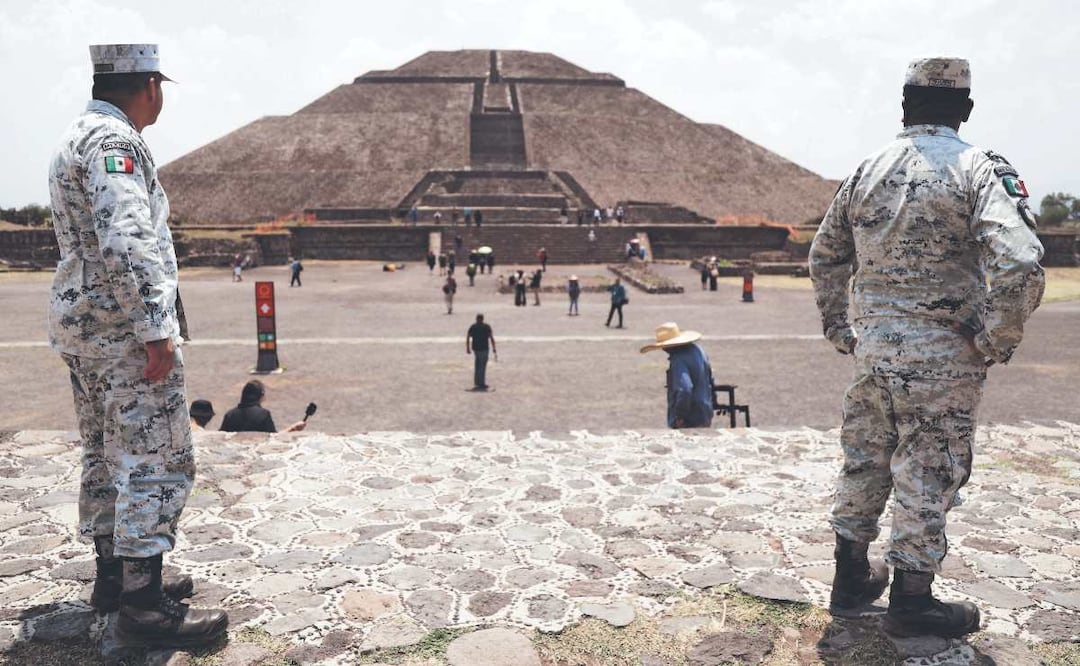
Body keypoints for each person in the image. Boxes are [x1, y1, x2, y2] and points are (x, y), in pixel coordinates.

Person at [809, 57, 1045, 638]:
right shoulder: (979, 169)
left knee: (866, 459)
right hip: (943, 359)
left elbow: (825, 255)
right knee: (928, 469)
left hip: (874, 352)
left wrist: (842, 329)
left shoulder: (868, 169)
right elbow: (1020, 262)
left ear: (904, 107)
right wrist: (993, 338)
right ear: (966, 109)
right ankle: (912, 602)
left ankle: (849, 581)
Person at [47, 43, 227, 647]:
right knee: (153, 459)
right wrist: (155, 328)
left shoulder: (78, 134)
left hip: (85, 326)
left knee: (103, 453)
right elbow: (127, 239)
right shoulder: (116, 143)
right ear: (150, 85)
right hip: (123, 332)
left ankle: (114, 578)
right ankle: (144, 607)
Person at [640, 323, 714, 428]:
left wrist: (680, 416)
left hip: (690, 417)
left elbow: (685, 389)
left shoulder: (678, 360)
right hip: (705, 411)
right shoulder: (699, 351)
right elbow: (710, 380)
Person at [220, 380, 307, 433]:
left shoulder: (229, 415)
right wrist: (293, 428)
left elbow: (222, 437)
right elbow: (273, 438)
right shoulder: (263, 415)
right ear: (261, 396)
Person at [466, 314, 497, 390]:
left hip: (476, 348)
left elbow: (468, 336)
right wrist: (494, 348)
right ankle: (481, 383)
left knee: (478, 364)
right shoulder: (486, 327)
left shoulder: (473, 327)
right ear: (482, 319)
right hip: (484, 348)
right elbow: (491, 337)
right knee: (482, 366)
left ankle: (477, 382)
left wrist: (468, 347)